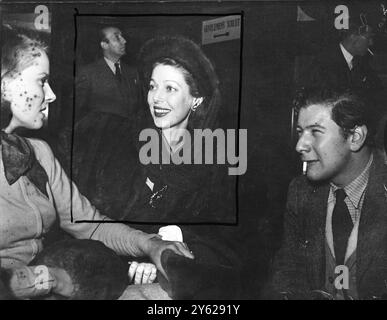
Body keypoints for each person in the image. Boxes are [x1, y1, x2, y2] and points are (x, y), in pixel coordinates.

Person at [0, 27, 193, 299]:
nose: (52, 95)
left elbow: (91, 225)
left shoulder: (38, 153)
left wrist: (152, 244)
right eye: (42, 81)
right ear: (3, 84)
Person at [97, 36, 241, 299]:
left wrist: (172, 245)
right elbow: (100, 223)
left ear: (196, 99)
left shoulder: (218, 158)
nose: (157, 98)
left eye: (170, 89)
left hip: (183, 282)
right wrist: (135, 257)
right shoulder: (124, 145)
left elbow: (226, 243)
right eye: (153, 87)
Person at [266, 89, 387, 300]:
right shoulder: (300, 191)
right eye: (300, 131)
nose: (299, 145)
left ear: (355, 138)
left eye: (315, 132)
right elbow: (289, 269)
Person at [59, 25, 139, 206]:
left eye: (122, 36)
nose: (124, 41)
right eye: (117, 37)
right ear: (104, 44)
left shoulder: (134, 74)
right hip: (98, 153)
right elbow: (74, 113)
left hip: (128, 151)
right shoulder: (88, 73)